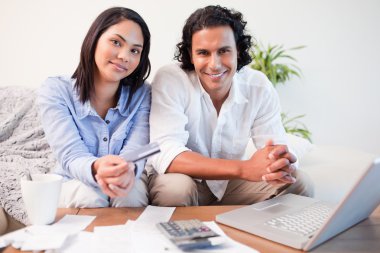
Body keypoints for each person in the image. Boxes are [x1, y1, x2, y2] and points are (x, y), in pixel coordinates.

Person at [147, 5, 313, 206]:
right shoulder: (172, 79)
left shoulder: (257, 86)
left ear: (238, 51)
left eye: (223, 51)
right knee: (176, 189)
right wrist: (243, 168)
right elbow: (165, 152)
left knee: (299, 184)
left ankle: (259, 236)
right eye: (203, 53)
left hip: (230, 186)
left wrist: (278, 162)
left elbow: (273, 146)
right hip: (186, 179)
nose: (214, 64)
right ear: (191, 55)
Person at [38, 7, 151, 208]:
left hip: (125, 177)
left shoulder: (143, 94)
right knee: (89, 197)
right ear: (94, 39)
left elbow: (137, 149)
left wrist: (126, 171)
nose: (125, 56)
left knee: (130, 196)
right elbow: (71, 155)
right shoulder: (55, 89)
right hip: (73, 178)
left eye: (135, 50)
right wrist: (98, 167)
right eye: (116, 42)